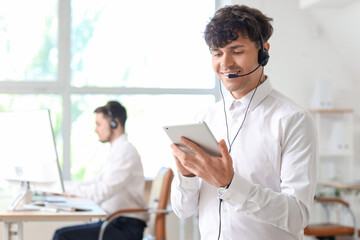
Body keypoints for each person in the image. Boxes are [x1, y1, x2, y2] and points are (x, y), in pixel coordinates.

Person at [170, 5, 317, 240]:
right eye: (217, 53)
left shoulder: (293, 119)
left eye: (236, 51)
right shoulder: (205, 118)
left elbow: (298, 215)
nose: (225, 63)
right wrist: (187, 177)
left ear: (264, 52)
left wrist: (230, 185)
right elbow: (182, 210)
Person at [53, 100, 148, 240]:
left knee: (62, 236)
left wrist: (63, 189)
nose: (96, 129)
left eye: (98, 124)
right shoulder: (117, 150)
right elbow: (95, 184)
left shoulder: (126, 152)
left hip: (126, 226)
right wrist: (62, 187)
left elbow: (101, 192)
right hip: (114, 222)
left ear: (114, 123)